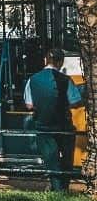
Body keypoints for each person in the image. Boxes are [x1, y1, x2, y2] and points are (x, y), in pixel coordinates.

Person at [24, 48, 83, 191]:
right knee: (67, 158)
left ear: (45, 60)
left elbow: (29, 105)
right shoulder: (66, 80)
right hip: (64, 126)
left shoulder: (33, 79)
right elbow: (75, 101)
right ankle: (64, 188)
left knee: (51, 160)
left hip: (43, 127)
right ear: (61, 62)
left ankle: (57, 189)